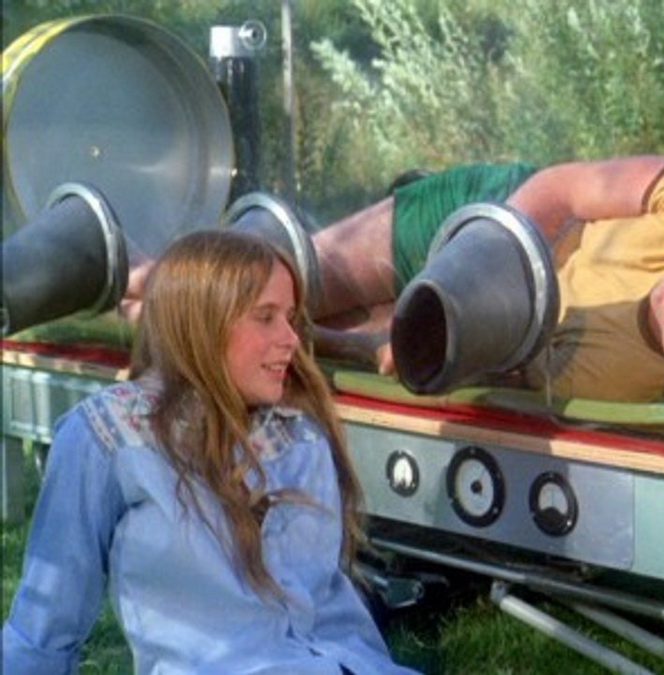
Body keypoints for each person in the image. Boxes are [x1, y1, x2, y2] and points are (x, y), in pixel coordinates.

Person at [2, 230, 418, 674]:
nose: (291, 339)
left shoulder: (299, 433)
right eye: (265, 317)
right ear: (203, 324)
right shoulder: (108, 436)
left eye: (290, 318)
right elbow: (45, 621)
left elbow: (327, 607)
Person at [308, 154, 664, 409]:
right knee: (296, 279)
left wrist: (409, 344)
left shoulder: (621, 386)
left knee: (305, 340)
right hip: (508, 217)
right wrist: (471, 264)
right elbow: (560, 189)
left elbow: (508, 373)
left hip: (502, 322)